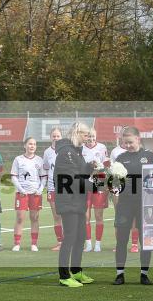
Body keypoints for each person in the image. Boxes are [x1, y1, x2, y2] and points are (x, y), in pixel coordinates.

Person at [113, 126, 153, 285]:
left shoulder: (149, 156)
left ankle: (144, 274)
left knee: (145, 240)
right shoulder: (120, 159)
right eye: (125, 143)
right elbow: (114, 183)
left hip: (145, 204)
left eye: (130, 142)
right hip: (125, 204)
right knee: (122, 240)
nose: (128, 145)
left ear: (138, 139)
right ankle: (119, 274)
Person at [54, 122, 93, 287]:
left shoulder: (77, 152)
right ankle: (64, 275)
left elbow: (81, 174)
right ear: (77, 133)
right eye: (85, 135)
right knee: (69, 237)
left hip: (78, 201)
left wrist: (90, 168)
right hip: (68, 200)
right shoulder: (66, 152)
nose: (87, 138)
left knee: (80, 238)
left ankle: (76, 271)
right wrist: (100, 186)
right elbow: (72, 180)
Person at [11, 137, 46, 251]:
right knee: (20, 217)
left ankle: (34, 244)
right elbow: (14, 177)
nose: (32, 146)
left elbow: (43, 177)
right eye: (30, 144)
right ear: (25, 145)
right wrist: (21, 189)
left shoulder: (39, 160)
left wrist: (40, 189)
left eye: (34, 144)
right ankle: (17, 244)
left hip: (35, 194)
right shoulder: (18, 159)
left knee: (34, 218)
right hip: (21, 193)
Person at [81, 128, 108, 252]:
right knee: (85, 215)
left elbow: (106, 164)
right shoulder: (81, 148)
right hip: (85, 183)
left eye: (93, 136)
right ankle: (88, 244)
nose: (91, 139)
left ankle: (98, 243)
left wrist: (99, 168)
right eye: (88, 136)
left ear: (96, 137)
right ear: (85, 137)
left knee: (98, 215)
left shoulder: (102, 147)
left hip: (98, 182)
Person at [43, 127, 64, 251]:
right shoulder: (47, 152)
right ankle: (60, 242)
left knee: (66, 216)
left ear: (61, 137)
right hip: (52, 188)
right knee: (56, 217)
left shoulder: (67, 151)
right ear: (50, 137)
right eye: (54, 136)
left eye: (58, 136)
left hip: (66, 188)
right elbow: (46, 168)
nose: (56, 138)